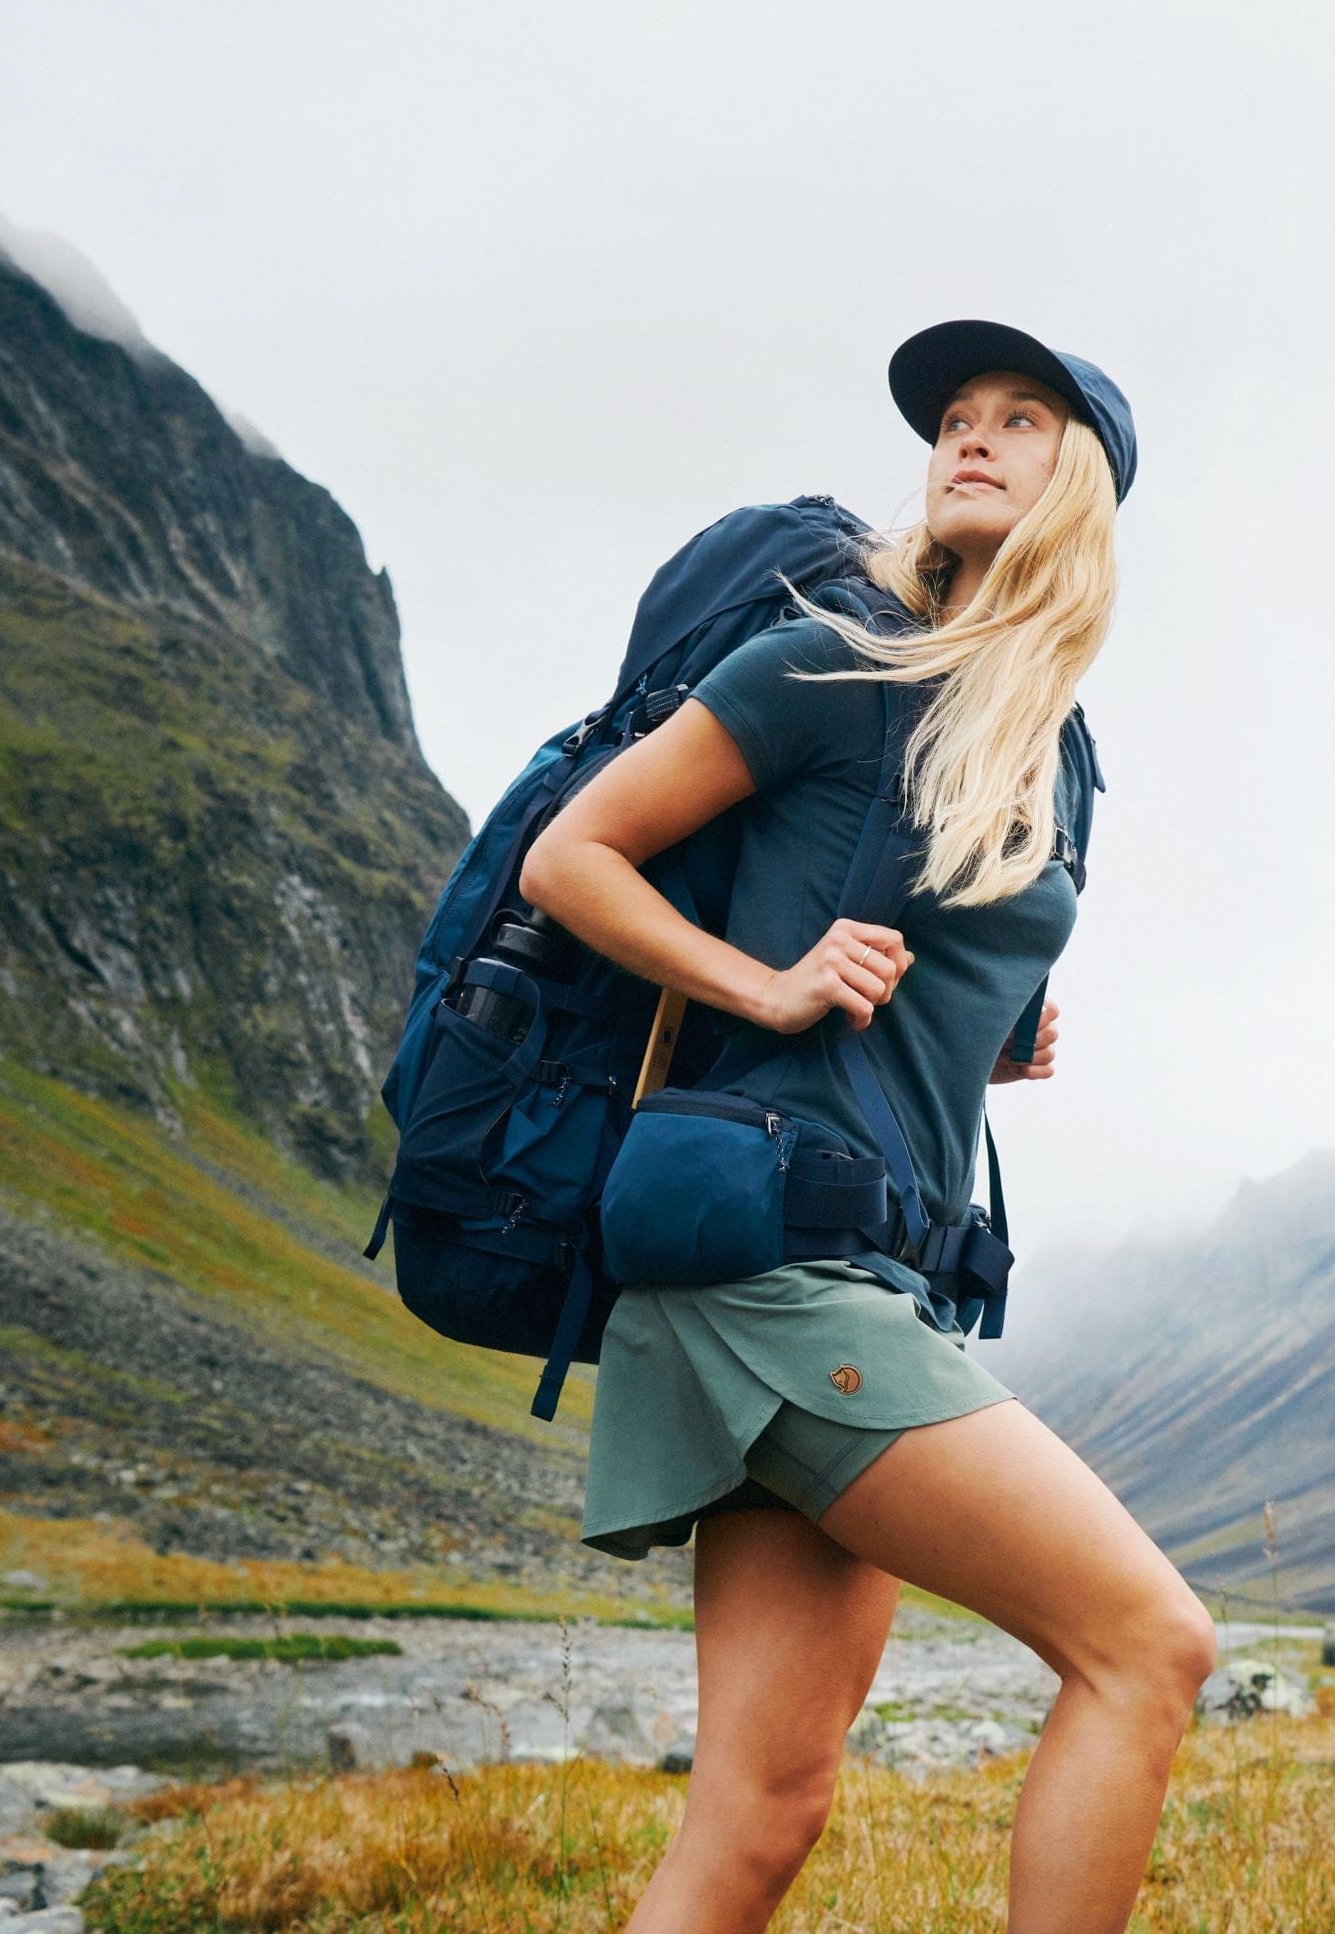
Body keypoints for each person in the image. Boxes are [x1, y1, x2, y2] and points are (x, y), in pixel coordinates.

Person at [520, 318, 1218, 1934]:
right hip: (773, 1264)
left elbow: (891, 967)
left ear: (1084, 486)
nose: (968, 438)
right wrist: (760, 985)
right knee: (1149, 1646)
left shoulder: (1045, 746)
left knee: (762, 1812)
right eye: (954, 419)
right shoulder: (836, 662)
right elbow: (576, 858)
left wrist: (975, 1037)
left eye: (1019, 419)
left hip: (849, 1260)